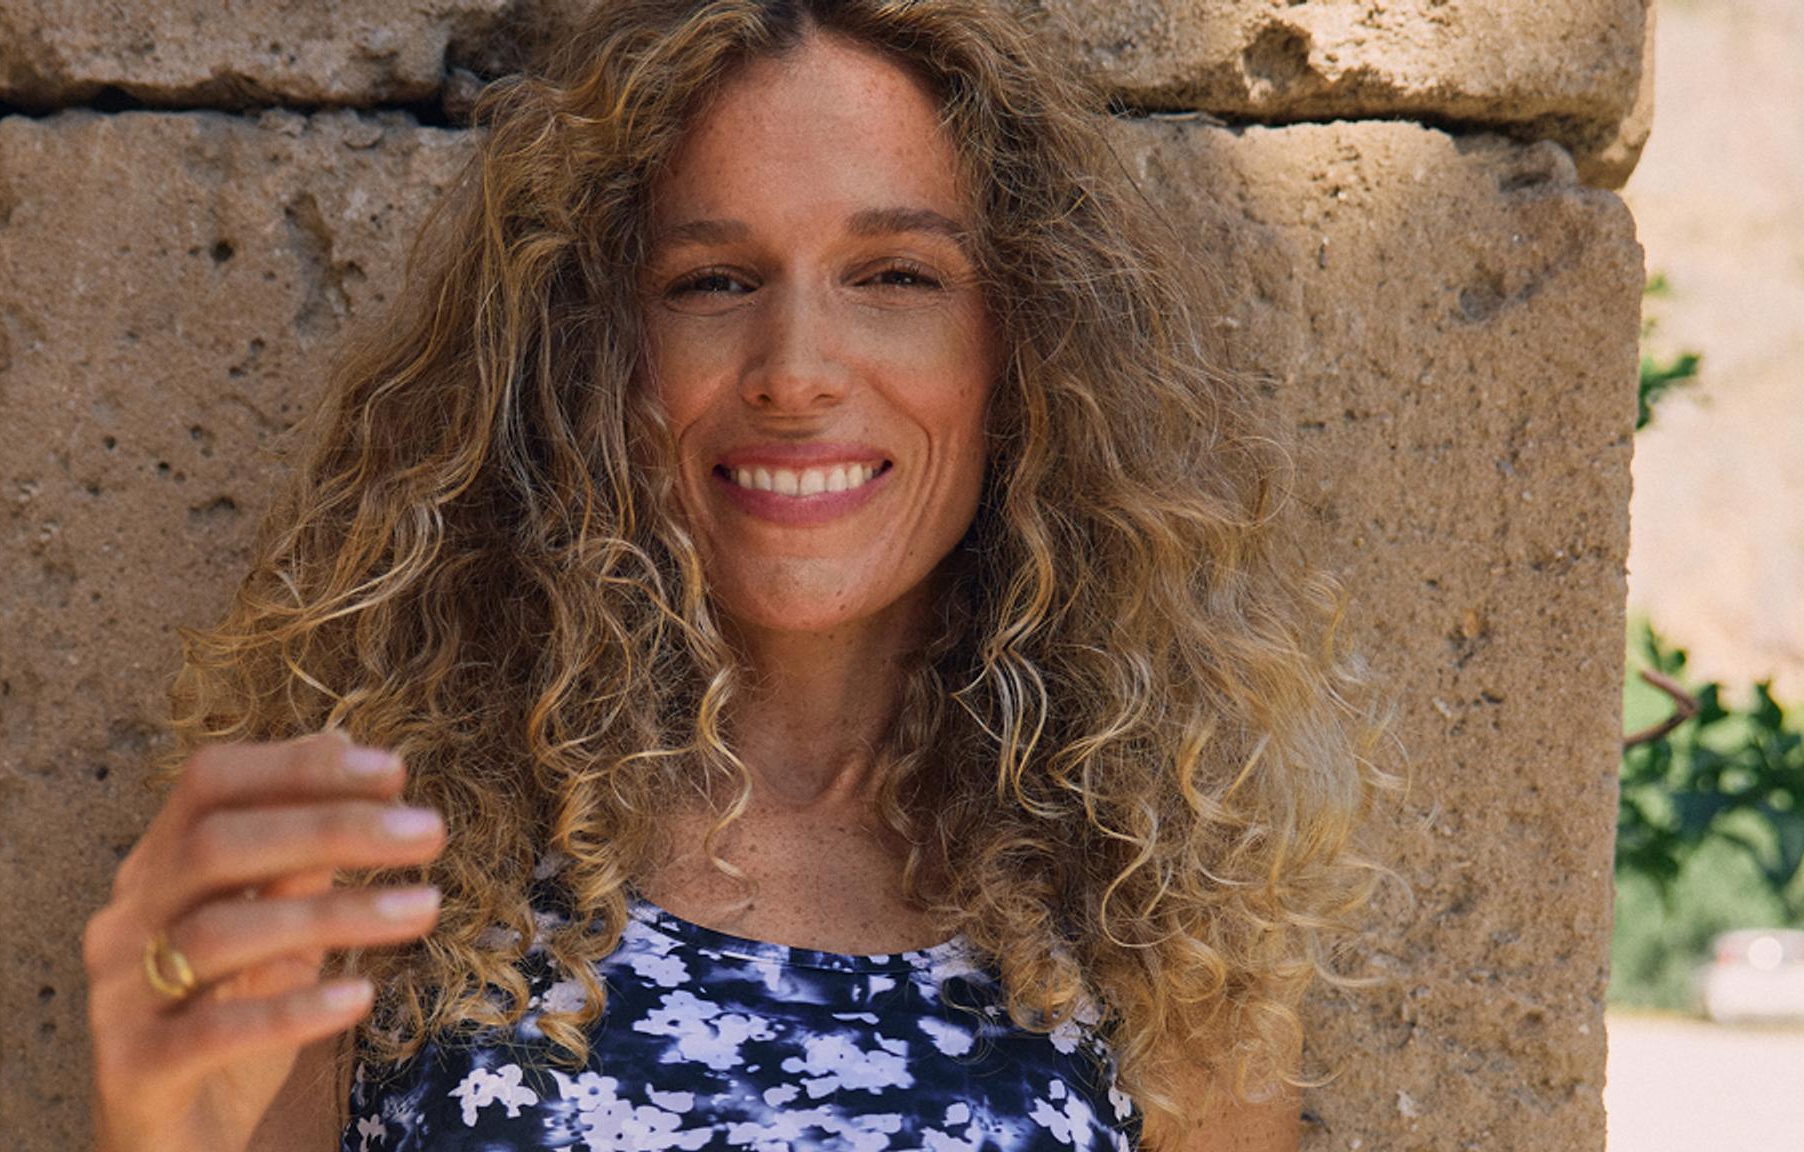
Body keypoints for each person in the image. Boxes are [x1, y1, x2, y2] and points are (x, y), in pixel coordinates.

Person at [82, 1, 1391, 1149]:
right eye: (711, 280)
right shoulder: (391, 852)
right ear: (594, 350)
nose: (796, 367)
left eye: (894, 275)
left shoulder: (1157, 901)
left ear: (1023, 343)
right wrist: (157, 1129)